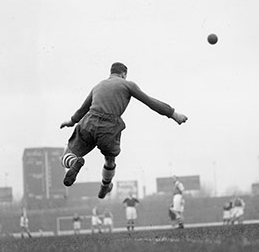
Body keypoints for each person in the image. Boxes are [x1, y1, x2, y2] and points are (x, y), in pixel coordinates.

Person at [60, 62, 188, 199]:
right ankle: (106, 185)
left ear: (110, 73)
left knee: (66, 155)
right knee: (110, 159)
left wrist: (71, 121)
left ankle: (74, 163)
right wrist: (174, 114)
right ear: (123, 74)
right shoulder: (127, 85)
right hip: (109, 128)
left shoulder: (98, 86)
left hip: (89, 122)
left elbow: (82, 109)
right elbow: (150, 102)